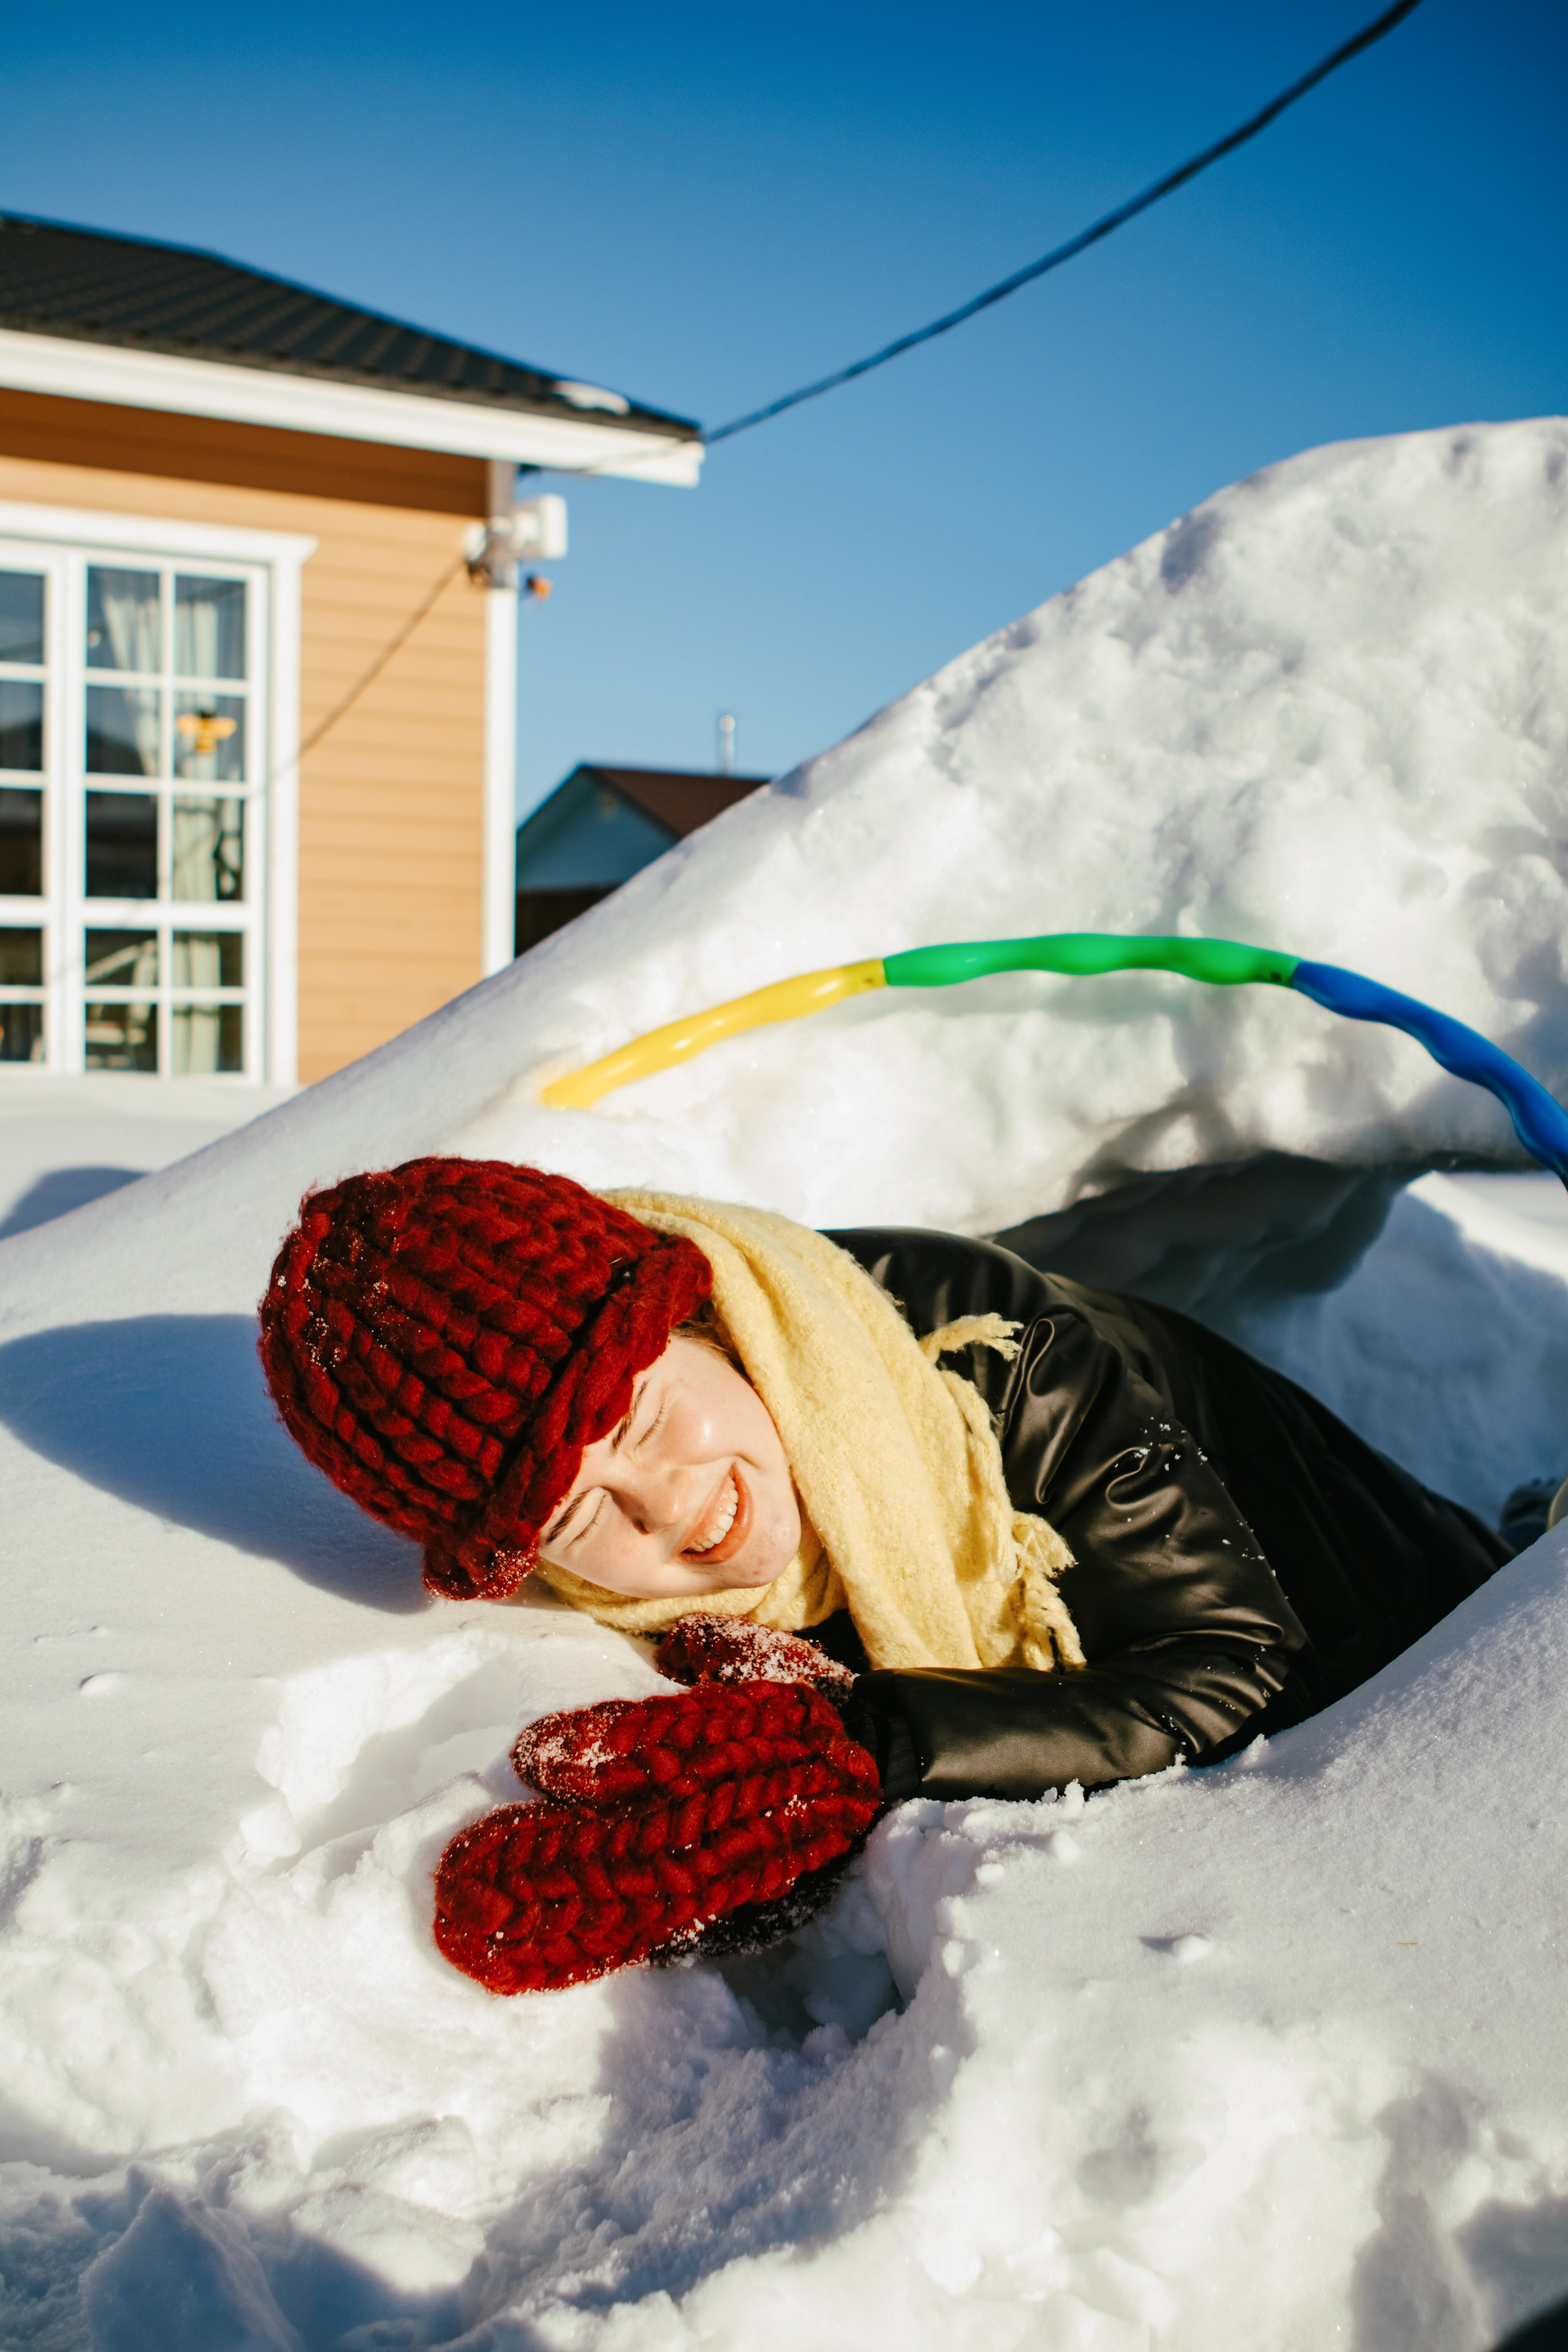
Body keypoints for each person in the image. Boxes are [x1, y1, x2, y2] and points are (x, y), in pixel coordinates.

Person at [259, 1156, 1508, 1994]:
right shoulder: (616, 1559)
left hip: (1409, 1620)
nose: (667, 1507)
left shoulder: (982, 1352)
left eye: (644, 1425)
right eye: (582, 1511)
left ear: (702, 1321)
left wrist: (876, 1738)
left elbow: (1237, 1668)